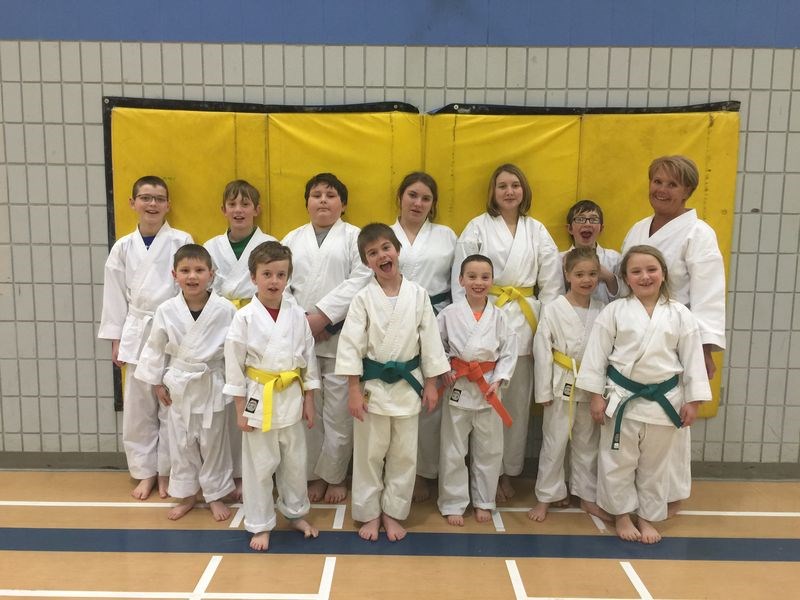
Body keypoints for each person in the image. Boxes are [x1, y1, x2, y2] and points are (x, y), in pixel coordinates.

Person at [576, 245, 711, 544]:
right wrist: (596, 396)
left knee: (655, 465)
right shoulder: (614, 311)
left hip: (664, 402)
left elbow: (692, 360)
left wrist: (694, 400)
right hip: (621, 397)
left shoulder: (680, 314)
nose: (645, 276)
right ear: (625, 277)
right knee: (616, 461)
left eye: (651, 269)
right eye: (636, 271)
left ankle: (648, 517)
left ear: (663, 273)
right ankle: (622, 515)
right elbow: (596, 356)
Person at [620, 156, 726, 514]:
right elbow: (626, 281)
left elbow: (708, 293)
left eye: (672, 184)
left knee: (672, 414)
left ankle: (671, 493)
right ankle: (631, 492)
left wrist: (705, 349)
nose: (662, 190)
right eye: (657, 182)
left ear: (687, 191)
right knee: (634, 413)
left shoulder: (699, 233)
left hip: (677, 334)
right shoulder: (638, 229)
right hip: (634, 330)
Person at [452, 164, 562, 501]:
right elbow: (463, 276)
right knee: (482, 400)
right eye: (502, 186)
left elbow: (552, 283)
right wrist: (465, 324)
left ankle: (506, 472)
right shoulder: (477, 226)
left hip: (526, 320)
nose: (509, 191)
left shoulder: (537, 230)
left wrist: (547, 326)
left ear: (524, 190)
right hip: (485, 314)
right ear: (493, 192)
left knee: (513, 402)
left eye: (515, 185)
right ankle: (483, 472)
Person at [335, 223, 450, 542]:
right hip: (371, 389)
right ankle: (369, 513)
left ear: (397, 251)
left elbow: (430, 340)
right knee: (369, 454)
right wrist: (353, 390)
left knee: (403, 454)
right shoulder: (362, 299)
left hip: (408, 386)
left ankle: (393, 513)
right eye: (372, 253)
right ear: (366, 262)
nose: (381, 255)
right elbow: (350, 347)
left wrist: (430, 382)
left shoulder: (419, 294)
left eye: (386, 248)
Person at [98, 175, 193, 500]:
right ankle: (145, 472)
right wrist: (116, 337)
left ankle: (168, 472)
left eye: (158, 198)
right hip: (136, 331)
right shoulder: (123, 246)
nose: (152, 204)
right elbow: (114, 295)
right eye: (145, 198)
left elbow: (191, 286)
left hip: (171, 329)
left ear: (168, 204)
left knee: (172, 405)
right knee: (139, 408)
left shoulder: (181, 240)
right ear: (132, 203)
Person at [223, 241, 320, 552]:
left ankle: (295, 513)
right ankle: (261, 523)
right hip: (259, 398)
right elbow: (235, 366)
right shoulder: (244, 317)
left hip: (291, 395)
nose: (274, 281)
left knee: (295, 462)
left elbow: (309, 359)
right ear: (254, 277)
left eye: (281, 274)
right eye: (267, 274)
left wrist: (309, 400)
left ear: (288, 277)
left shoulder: (296, 314)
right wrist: (240, 410)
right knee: (259, 466)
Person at [282, 173, 372, 504]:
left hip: (340, 335)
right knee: (307, 410)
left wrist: (323, 317)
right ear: (306, 202)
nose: (323, 200)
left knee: (337, 412)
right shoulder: (292, 238)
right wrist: (304, 321)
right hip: (301, 333)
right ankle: (311, 476)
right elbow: (280, 283)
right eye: (316, 194)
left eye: (331, 195)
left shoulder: (355, 237)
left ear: (343, 204)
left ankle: (334, 476)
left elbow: (362, 279)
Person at [134, 244, 236, 521]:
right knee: (181, 443)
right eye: (185, 270)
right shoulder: (166, 310)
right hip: (179, 383)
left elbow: (235, 350)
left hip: (211, 381)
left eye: (199, 270)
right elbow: (155, 347)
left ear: (211, 274)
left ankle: (215, 494)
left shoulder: (225, 309)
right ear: (174, 274)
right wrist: (156, 382)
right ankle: (187, 494)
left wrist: (236, 384)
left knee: (214, 443)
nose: (192, 276)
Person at [204, 179, 277, 500]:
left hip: (258, 327)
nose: (238, 210)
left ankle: (256, 474)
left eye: (245, 204)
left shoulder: (270, 244)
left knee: (256, 401)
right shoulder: (210, 247)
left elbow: (281, 288)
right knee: (228, 401)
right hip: (218, 329)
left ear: (257, 210)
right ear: (223, 209)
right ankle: (228, 473)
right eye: (232, 204)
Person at [390, 172, 457, 503]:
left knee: (431, 398)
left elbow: (458, 283)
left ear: (433, 204)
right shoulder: (384, 234)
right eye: (412, 195)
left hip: (437, 317)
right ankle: (398, 471)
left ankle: (425, 472)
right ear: (400, 196)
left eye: (426, 198)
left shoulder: (446, 235)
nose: (418, 203)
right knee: (398, 397)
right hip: (392, 321)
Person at [529, 247, 608, 522]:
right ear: (567, 275)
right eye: (579, 274)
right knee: (554, 442)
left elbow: (608, 352)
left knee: (588, 443)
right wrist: (542, 391)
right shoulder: (553, 309)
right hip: (560, 383)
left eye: (592, 274)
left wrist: (603, 389)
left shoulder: (603, 310)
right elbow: (542, 351)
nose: (586, 280)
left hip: (590, 383)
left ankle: (586, 495)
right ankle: (545, 497)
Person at [437, 254, 517, 526]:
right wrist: (445, 369)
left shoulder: (500, 317)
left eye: (484, 277)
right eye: (471, 277)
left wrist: (500, 378)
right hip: (458, 385)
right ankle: (452, 502)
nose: (478, 282)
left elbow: (508, 352)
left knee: (490, 449)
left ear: (493, 281)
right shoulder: (448, 314)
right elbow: (438, 347)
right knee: (453, 449)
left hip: (488, 389)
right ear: (460, 280)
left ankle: (484, 500)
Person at [561, 200, 620, 304]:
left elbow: (624, 297)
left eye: (593, 219)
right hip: (569, 317)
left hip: (606, 316)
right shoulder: (559, 260)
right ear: (570, 228)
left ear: (601, 228)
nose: (587, 223)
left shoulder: (614, 259)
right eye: (580, 219)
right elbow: (554, 293)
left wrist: (609, 277)